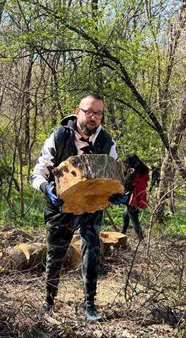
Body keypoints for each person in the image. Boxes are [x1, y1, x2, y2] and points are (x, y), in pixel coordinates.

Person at [31, 93, 126, 322]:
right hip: (61, 203)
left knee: (92, 249)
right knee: (55, 253)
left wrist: (116, 195)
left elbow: (115, 178)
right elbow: (37, 173)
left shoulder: (107, 142)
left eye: (98, 113)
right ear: (78, 111)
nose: (92, 117)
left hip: (91, 204)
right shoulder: (60, 136)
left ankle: (90, 304)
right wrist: (47, 189)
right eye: (88, 111)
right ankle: (49, 300)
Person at [121, 154, 149, 241]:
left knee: (133, 218)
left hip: (135, 197)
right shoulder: (143, 170)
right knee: (125, 215)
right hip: (139, 195)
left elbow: (127, 182)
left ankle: (141, 239)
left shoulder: (135, 171)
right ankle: (121, 234)